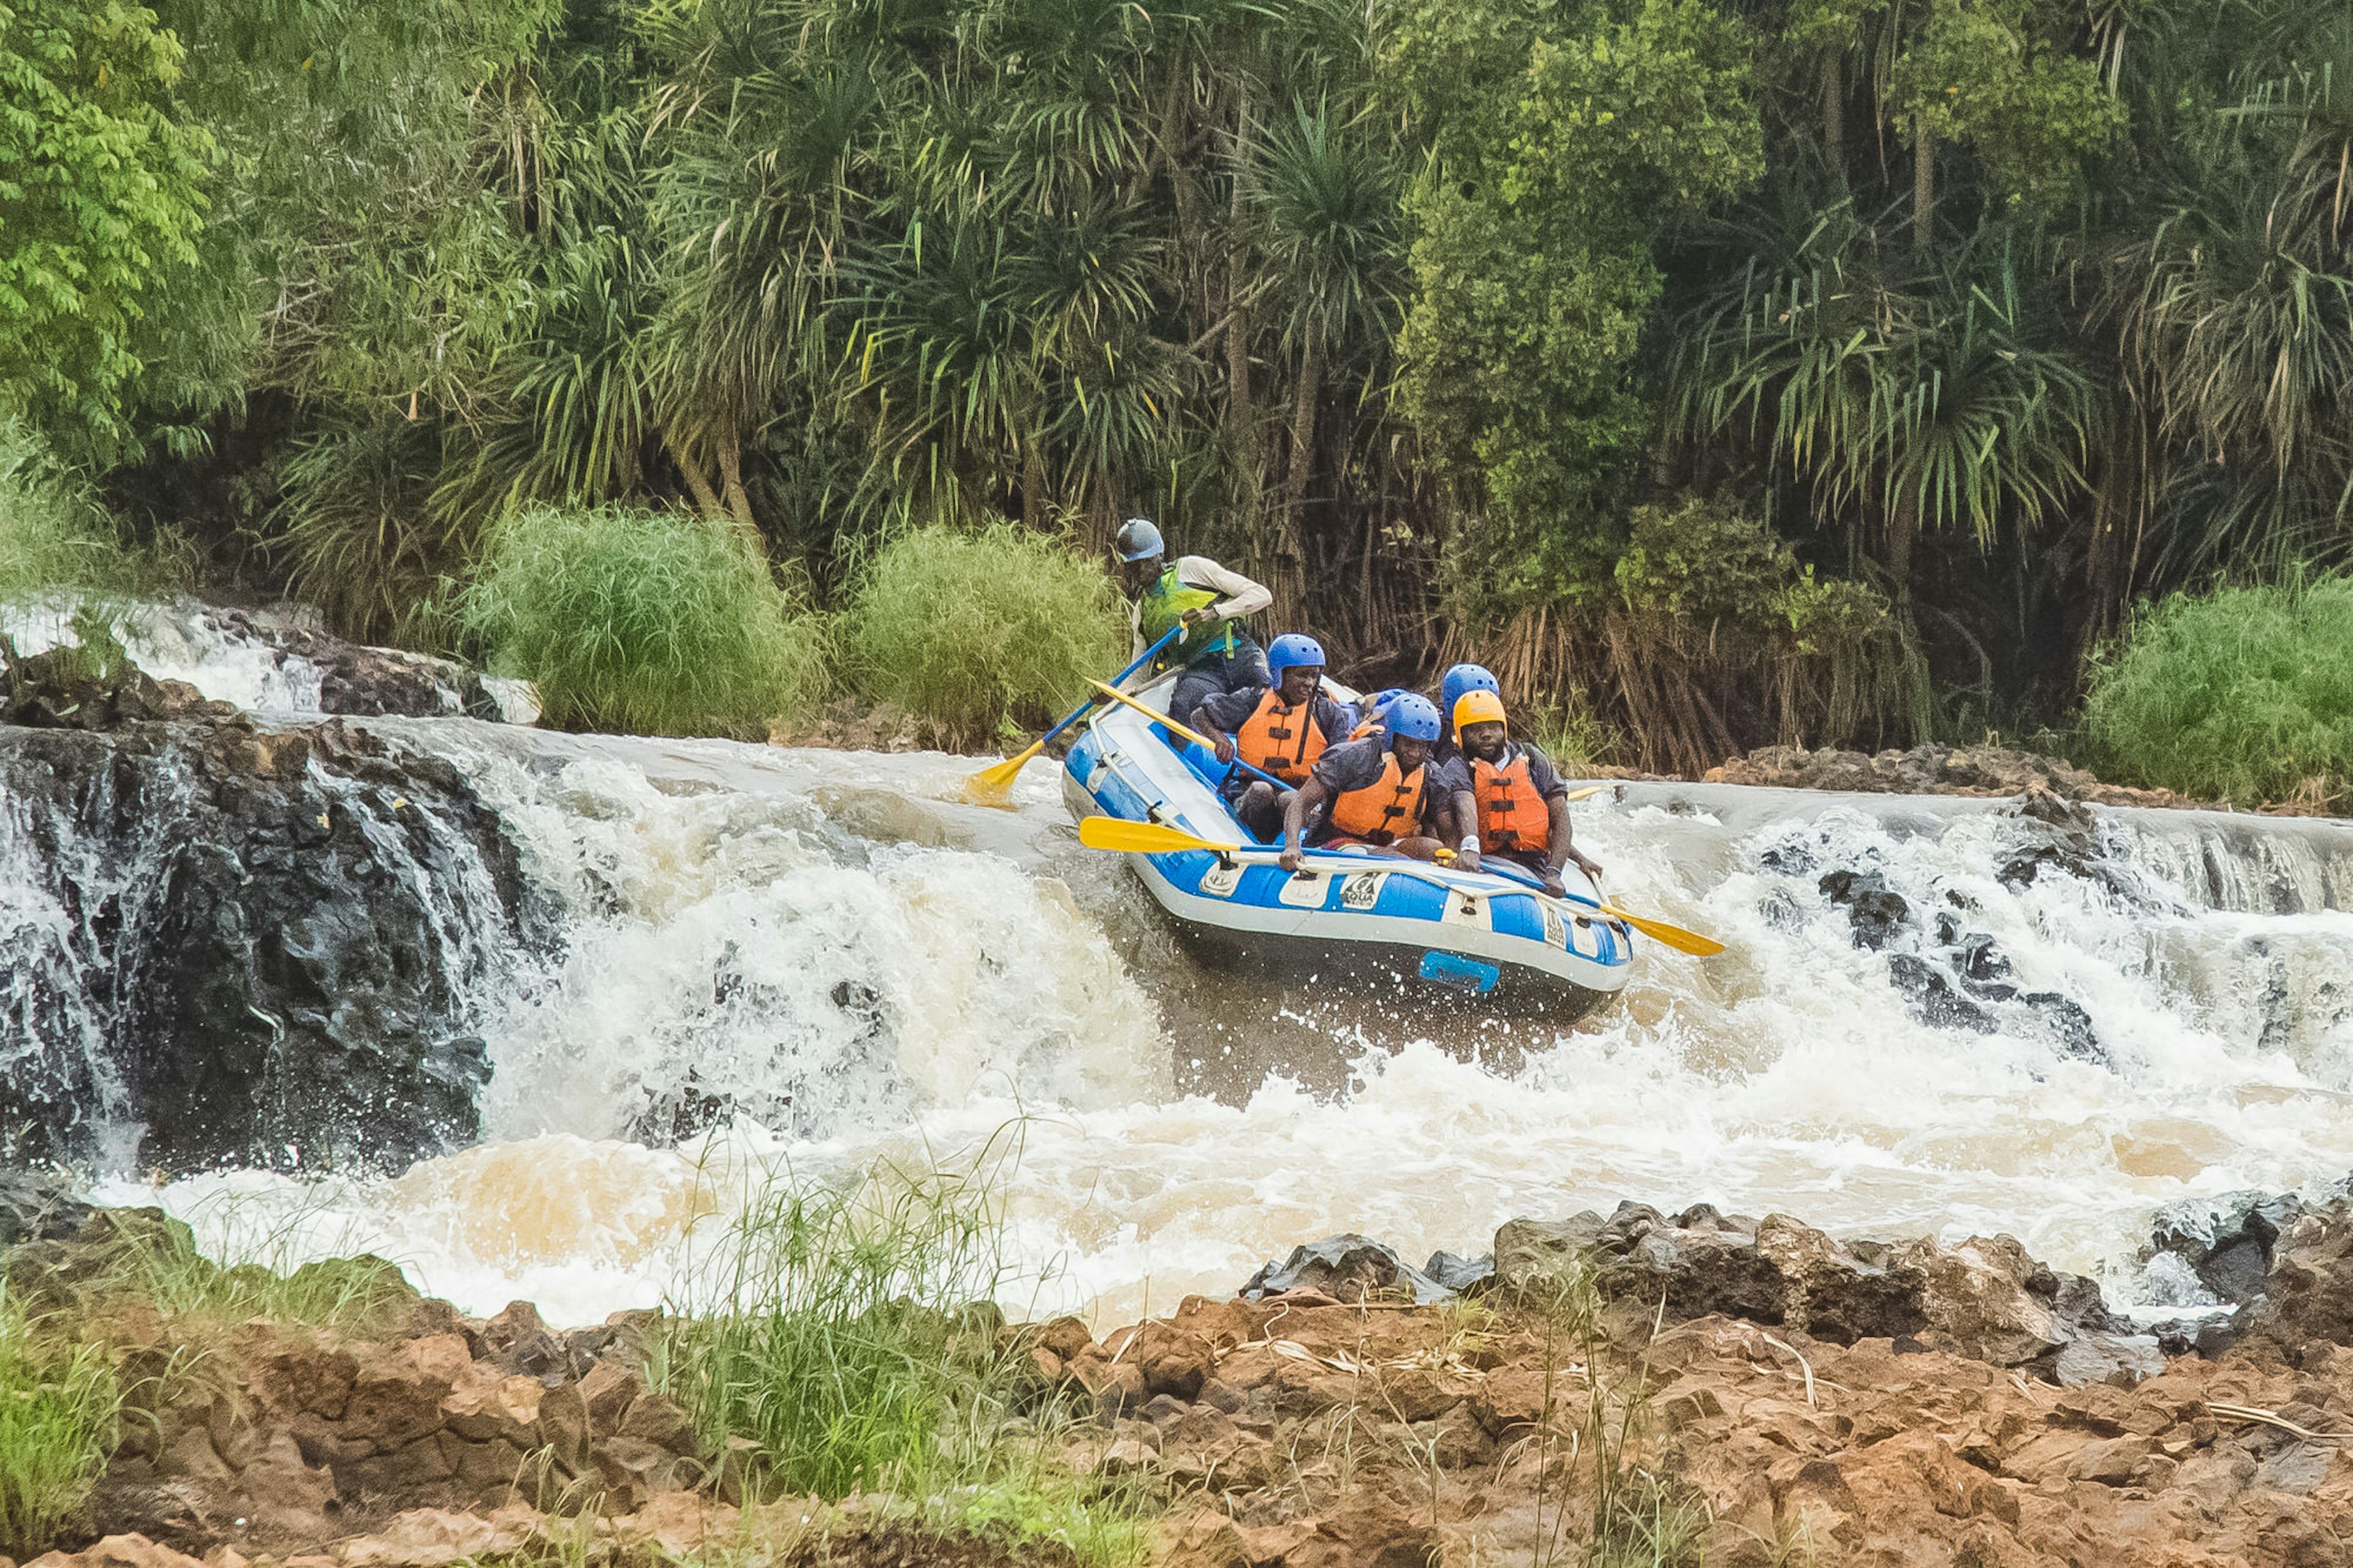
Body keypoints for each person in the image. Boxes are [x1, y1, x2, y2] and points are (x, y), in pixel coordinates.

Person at [1439, 689, 1602, 896]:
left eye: (1492, 727)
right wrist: (1470, 847)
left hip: (1532, 864)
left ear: (1504, 729)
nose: (1486, 735)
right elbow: (1465, 804)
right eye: (1475, 730)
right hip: (1481, 862)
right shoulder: (1457, 766)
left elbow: (1560, 819)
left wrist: (1554, 872)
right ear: (1461, 736)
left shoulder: (1533, 760)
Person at [1192, 633, 1354, 839]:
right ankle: (1248, 835)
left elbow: (1344, 757)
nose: (1309, 683)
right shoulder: (1253, 700)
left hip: (1303, 794)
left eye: (1314, 676)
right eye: (1302, 675)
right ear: (1280, 674)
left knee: (1290, 799)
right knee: (1261, 791)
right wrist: (1220, 739)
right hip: (1249, 787)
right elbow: (1199, 715)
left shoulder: (1326, 712)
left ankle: (1291, 842)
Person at [1113, 518, 1274, 724]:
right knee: (1184, 705)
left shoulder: (1191, 569)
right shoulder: (1142, 612)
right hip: (1201, 670)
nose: (1142, 570)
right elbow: (1138, 674)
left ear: (1158, 555)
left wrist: (1215, 612)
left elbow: (1261, 595)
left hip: (1239, 654)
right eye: (1135, 566)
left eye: (1147, 561)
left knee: (1268, 700)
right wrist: (1113, 696)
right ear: (1127, 568)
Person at [1279, 692, 1447, 870]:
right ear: (1392, 736)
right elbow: (1301, 802)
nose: (1415, 753)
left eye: (1422, 746)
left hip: (1388, 846)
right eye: (1409, 744)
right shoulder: (1355, 756)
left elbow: (1444, 824)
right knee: (1389, 857)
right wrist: (1292, 846)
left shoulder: (1431, 773)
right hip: (1335, 842)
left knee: (1434, 850)